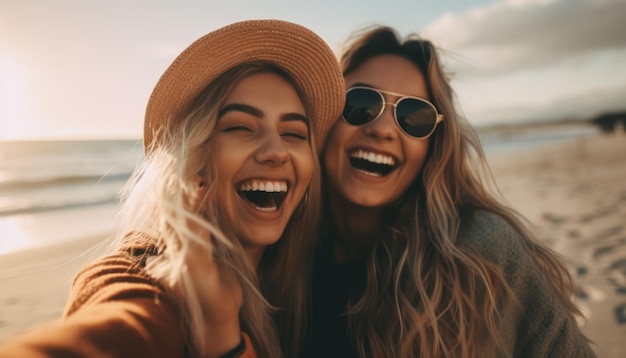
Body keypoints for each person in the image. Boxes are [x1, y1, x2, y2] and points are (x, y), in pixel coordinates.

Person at [0, 19, 344, 358]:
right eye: (241, 127)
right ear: (193, 157)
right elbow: (115, 329)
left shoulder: (311, 282)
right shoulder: (146, 275)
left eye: (294, 134)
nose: (276, 151)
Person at [304, 25, 596, 357]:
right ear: (324, 114)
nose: (383, 129)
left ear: (433, 146)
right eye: (360, 103)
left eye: (413, 116)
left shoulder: (480, 253)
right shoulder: (283, 257)